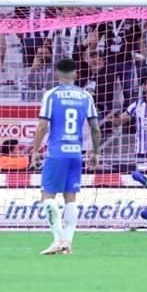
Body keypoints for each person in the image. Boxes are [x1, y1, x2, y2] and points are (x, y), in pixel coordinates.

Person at [29, 58, 101, 255]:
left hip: (56, 153)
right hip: (75, 154)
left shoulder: (51, 95)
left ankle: (58, 238)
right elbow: (95, 128)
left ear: (56, 74)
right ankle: (67, 242)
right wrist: (95, 152)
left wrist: (35, 151)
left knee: (47, 197)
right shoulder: (85, 96)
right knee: (71, 198)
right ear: (76, 74)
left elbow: (43, 126)